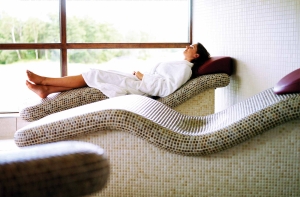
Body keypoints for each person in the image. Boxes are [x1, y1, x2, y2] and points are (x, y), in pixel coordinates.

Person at [26, 43, 210, 99]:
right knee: (96, 75)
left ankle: (45, 81)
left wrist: (142, 76)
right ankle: (47, 89)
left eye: (192, 47)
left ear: (196, 56)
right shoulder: (181, 65)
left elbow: (165, 89)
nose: (188, 46)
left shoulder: (185, 70)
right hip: (140, 83)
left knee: (94, 74)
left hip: (142, 88)